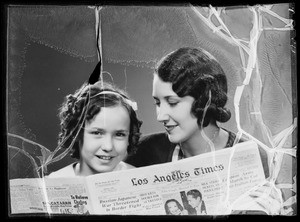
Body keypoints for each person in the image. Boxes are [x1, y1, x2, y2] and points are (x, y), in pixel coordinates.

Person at [125, 47, 282, 215]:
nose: (160, 116)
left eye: (172, 102)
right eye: (158, 103)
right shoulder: (143, 151)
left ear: (204, 100)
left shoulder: (252, 157)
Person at [48, 79, 142, 177]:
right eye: (97, 133)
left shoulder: (139, 178)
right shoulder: (53, 180)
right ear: (76, 134)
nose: (108, 147)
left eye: (119, 134)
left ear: (129, 138)